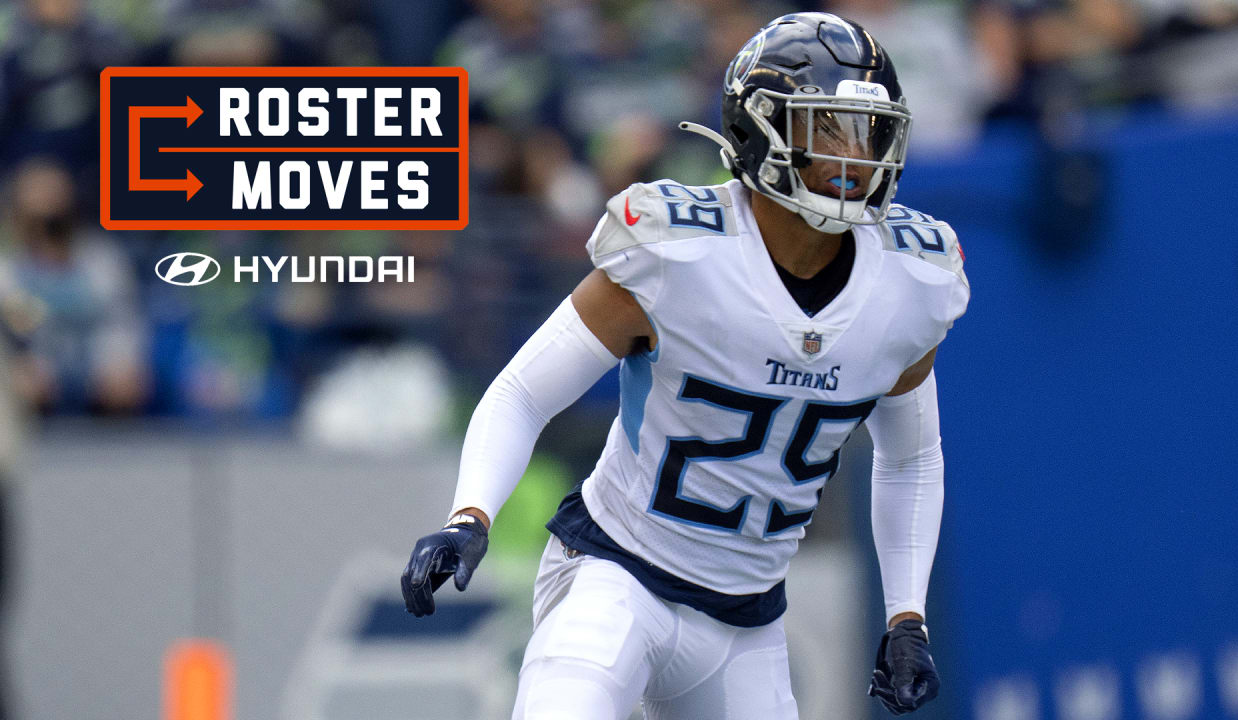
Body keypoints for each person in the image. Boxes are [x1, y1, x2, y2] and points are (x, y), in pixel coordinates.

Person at [402, 12, 969, 719]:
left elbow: (912, 458)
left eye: (866, 129)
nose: (854, 154)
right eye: (828, 127)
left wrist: (906, 616)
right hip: (616, 576)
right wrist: (469, 516)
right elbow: (522, 392)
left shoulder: (908, 281)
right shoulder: (681, 252)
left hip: (748, 623)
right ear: (761, 130)